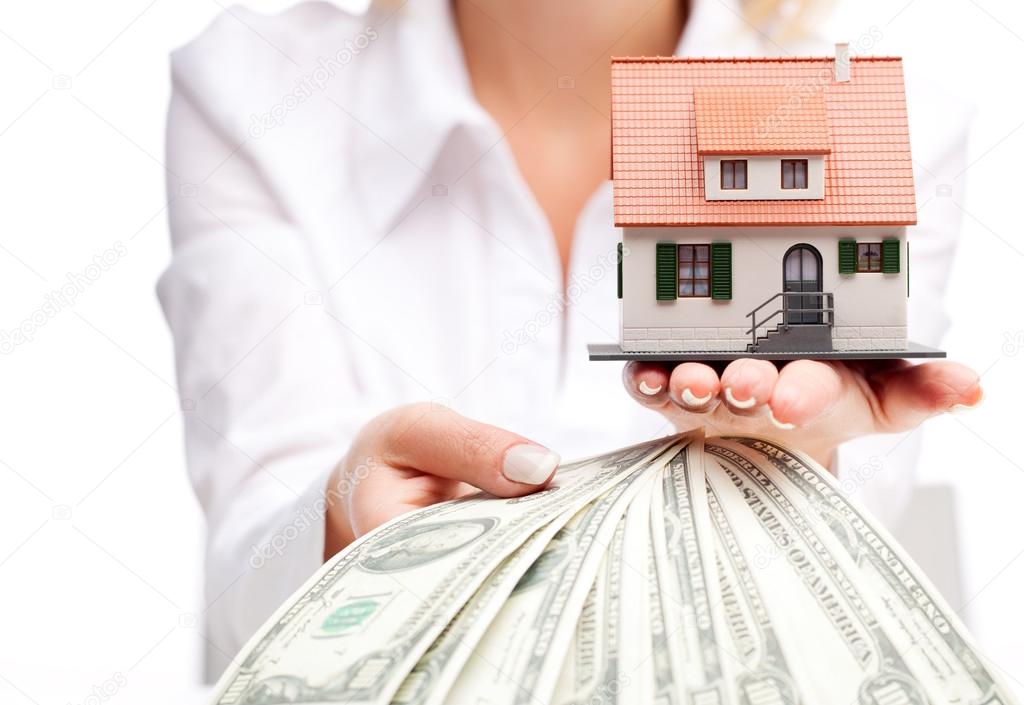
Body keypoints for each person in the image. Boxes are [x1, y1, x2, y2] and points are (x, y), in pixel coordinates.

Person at [158, 0, 980, 678]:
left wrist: (806, 459)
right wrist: (340, 528)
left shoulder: (889, 105)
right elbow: (252, 567)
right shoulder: (251, 91)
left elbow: (837, 595)